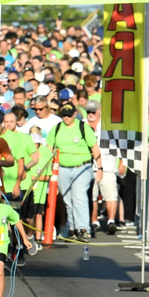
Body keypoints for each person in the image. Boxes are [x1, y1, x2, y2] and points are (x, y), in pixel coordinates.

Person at [47, 102, 103, 239]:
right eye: (64, 115)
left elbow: (94, 148)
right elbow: (48, 149)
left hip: (82, 168)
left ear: (74, 115)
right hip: (63, 169)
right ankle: (73, 229)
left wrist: (100, 168)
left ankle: (83, 229)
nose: (66, 118)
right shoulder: (57, 128)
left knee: (79, 197)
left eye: (68, 115)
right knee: (68, 200)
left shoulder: (83, 127)